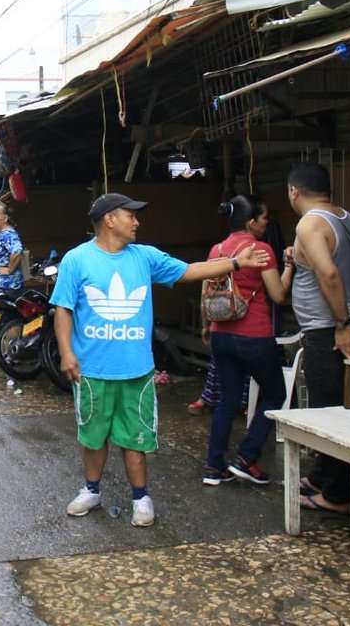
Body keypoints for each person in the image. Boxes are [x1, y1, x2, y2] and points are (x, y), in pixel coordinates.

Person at [52, 193, 269, 527]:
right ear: (110, 219)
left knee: (134, 438)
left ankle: (141, 497)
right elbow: (63, 309)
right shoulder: (76, 260)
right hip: (92, 370)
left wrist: (236, 264)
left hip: (136, 371)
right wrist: (67, 352)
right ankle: (91, 490)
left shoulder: (145, 257)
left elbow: (191, 271)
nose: (137, 222)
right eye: (130, 216)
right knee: (92, 436)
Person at [288, 162, 350, 515]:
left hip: (333, 332)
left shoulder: (309, 223)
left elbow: (329, 272)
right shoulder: (343, 217)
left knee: (334, 412)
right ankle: (322, 476)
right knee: (336, 406)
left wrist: (341, 324)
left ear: (294, 191)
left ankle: (337, 495)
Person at [200, 195, 295, 486]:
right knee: (275, 394)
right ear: (251, 221)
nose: (267, 224)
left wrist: (206, 326)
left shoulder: (217, 249)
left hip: (220, 333)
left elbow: (204, 289)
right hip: (253, 336)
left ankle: (214, 468)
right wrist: (289, 266)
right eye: (264, 219)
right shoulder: (261, 249)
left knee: (227, 400)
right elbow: (278, 295)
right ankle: (247, 456)